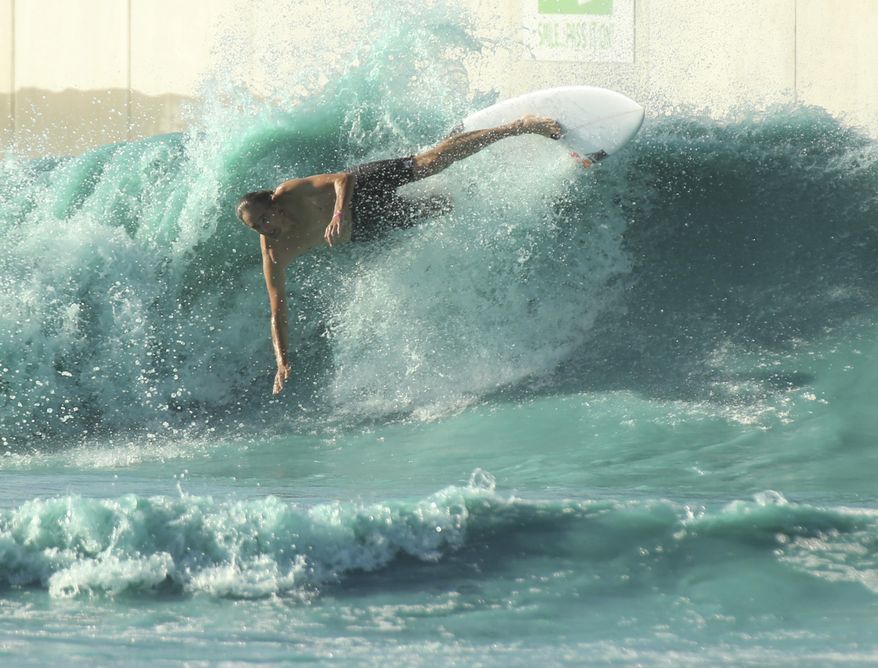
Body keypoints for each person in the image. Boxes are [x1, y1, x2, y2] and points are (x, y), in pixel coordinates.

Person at [235, 115, 562, 394]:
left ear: (274, 206)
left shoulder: (290, 192)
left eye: (264, 218)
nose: (264, 228)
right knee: (439, 207)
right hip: (364, 226)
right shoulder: (275, 252)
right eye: (256, 228)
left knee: (428, 164)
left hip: (357, 189)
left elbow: (341, 179)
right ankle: (457, 148)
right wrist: (282, 361)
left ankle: (518, 127)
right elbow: (277, 309)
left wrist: (337, 214)